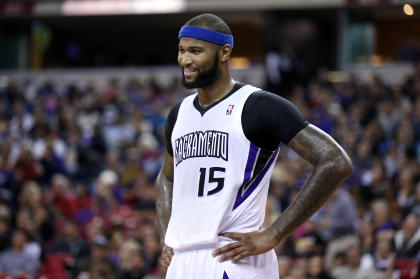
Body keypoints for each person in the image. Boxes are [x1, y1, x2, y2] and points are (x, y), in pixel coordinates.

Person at [156, 13, 353, 279]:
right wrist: (166, 236)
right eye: (181, 51)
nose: (185, 60)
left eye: (195, 51)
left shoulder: (259, 106)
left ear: (224, 52)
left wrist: (275, 232)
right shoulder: (178, 114)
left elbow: (335, 161)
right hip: (183, 261)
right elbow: (166, 177)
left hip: (233, 257)